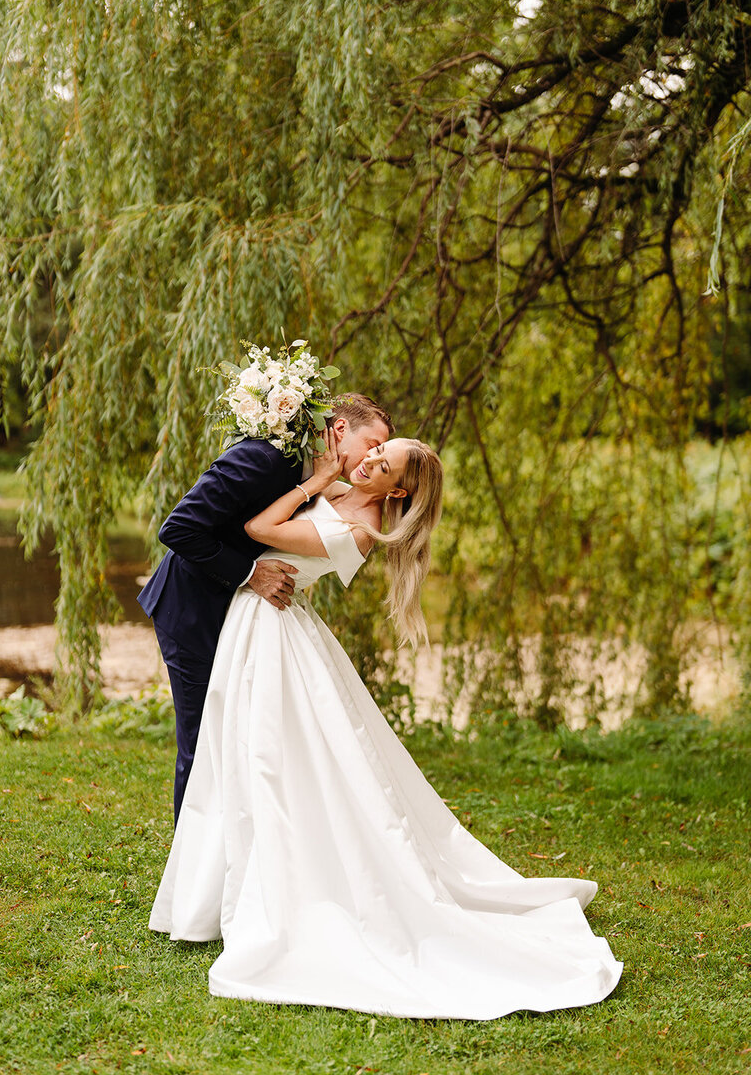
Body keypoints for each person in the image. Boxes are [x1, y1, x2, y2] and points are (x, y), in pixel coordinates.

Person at [149, 428, 623, 1020]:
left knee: (271, 759)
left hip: (273, 631)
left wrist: (315, 482)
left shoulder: (358, 532)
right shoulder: (346, 493)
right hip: (256, 622)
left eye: (385, 460)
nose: (371, 457)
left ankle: (277, 890)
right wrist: (321, 481)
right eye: (378, 447)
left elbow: (259, 532)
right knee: (236, 753)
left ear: (399, 488)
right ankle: (218, 886)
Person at [138, 394, 393, 821]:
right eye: (373, 444)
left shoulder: (320, 476)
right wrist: (249, 573)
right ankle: (192, 869)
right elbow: (178, 528)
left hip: (245, 619)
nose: (373, 456)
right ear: (341, 430)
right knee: (202, 742)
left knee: (242, 740)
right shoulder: (265, 459)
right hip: (194, 607)